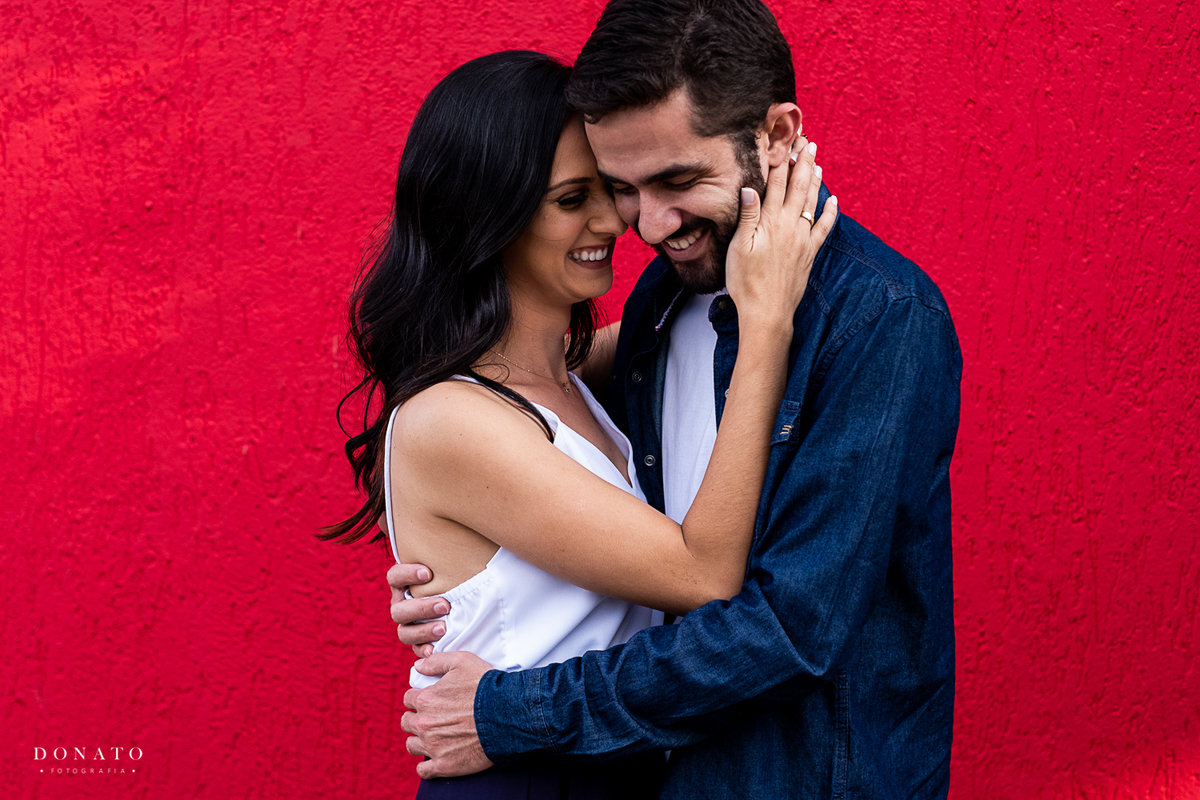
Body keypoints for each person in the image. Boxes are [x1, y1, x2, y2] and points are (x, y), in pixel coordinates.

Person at [389, 2, 964, 799]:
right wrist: (466, 581)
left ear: (780, 135)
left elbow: (792, 630)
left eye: (678, 181)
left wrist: (509, 707)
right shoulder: (665, 299)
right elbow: (519, 425)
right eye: (619, 188)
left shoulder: (877, 321)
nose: (648, 226)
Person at [323, 49, 835, 798]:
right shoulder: (449, 419)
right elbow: (702, 574)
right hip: (523, 773)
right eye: (572, 199)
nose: (614, 221)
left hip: (609, 761)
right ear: (488, 216)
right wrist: (766, 325)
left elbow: (671, 330)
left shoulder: (571, 377)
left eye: (610, 189)